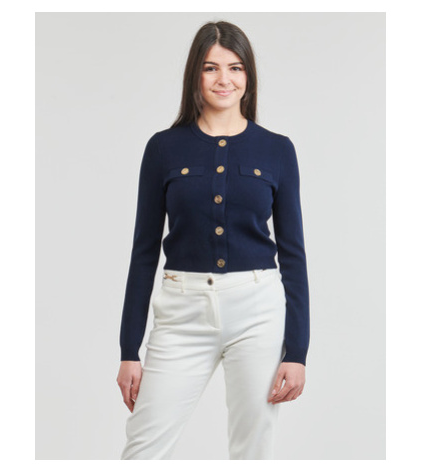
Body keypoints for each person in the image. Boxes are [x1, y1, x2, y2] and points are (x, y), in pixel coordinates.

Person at [116, 20, 310, 460]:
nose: (224, 79)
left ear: (248, 77)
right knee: (143, 450)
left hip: (258, 310)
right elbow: (143, 252)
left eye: (235, 67)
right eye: (211, 67)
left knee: (252, 450)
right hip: (181, 312)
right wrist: (129, 349)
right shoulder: (163, 148)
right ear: (195, 75)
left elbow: (293, 255)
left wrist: (297, 352)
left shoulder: (277, 149)